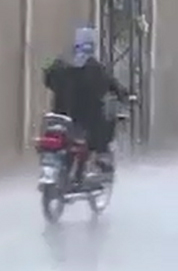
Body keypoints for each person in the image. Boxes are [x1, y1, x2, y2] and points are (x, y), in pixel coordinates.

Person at [43, 26, 131, 177]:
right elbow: (111, 84)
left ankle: (87, 165)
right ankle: (101, 157)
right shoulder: (94, 68)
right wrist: (124, 95)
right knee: (105, 123)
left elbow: (48, 78)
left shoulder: (60, 65)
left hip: (61, 117)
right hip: (83, 121)